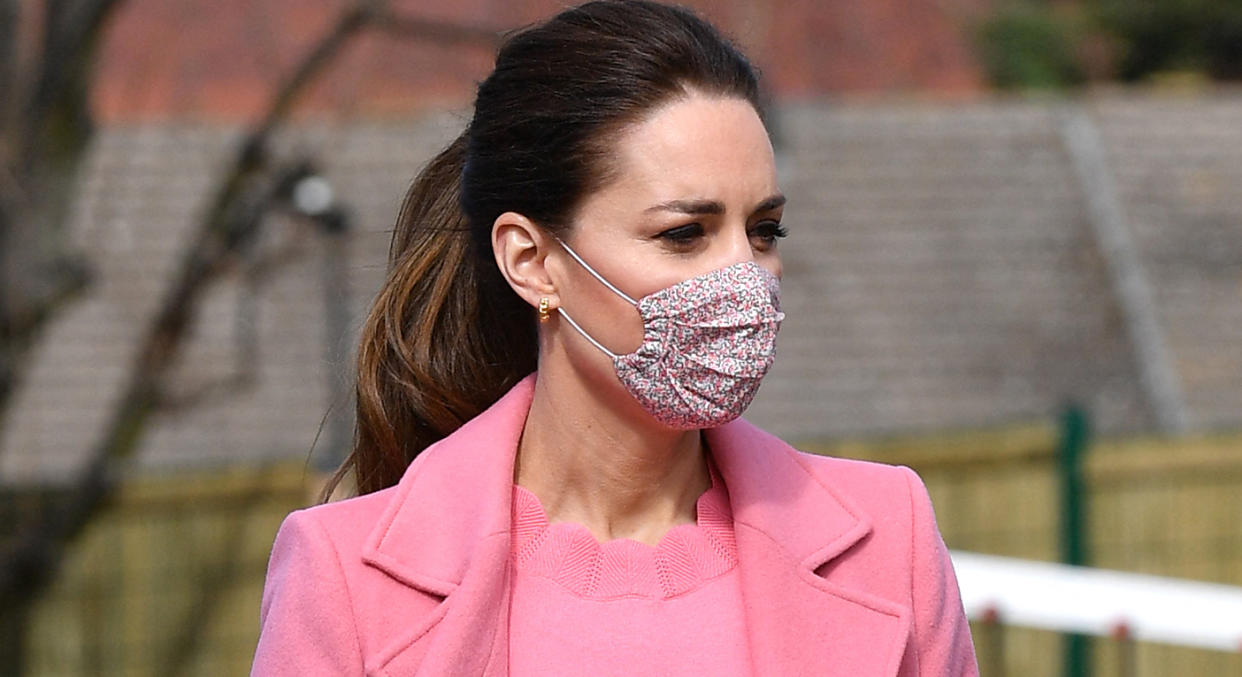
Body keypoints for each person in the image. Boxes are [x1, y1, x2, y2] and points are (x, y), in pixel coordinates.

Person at [251, 1, 978, 675]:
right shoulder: (343, 577)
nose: (746, 276)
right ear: (531, 262)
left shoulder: (890, 537)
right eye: (683, 233)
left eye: (763, 230)